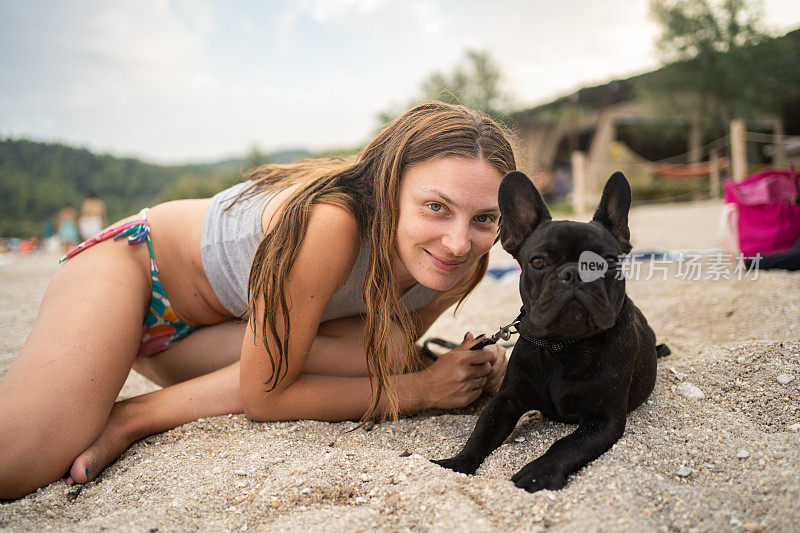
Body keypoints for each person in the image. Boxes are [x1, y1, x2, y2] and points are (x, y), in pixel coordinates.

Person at [0, 102, 514, 499]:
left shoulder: (462, 258)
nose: (457, 241)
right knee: (15, 463)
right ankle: (132, 418)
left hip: (204, 338)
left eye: (483, 219)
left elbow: (378, 352)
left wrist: (465, 366)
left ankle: (129, 416)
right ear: (390, 187)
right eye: (435, 207)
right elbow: (269, 396)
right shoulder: (332, 221)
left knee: (391, 349)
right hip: (137, 269)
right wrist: (422, 390)